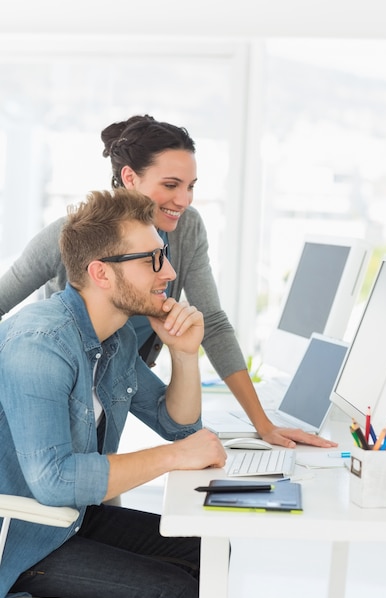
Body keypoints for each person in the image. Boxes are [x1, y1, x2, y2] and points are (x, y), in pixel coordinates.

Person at [0, 114, 336, 450]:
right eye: (171, 185)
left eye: (191, 187)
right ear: (129, 177)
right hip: (61, 387)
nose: (184, 200)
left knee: (100, 484)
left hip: (121, 379)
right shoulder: (71, 236)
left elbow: (214, 325)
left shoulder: (185, 229)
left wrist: (264, 426)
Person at [0, 188, 227, 598]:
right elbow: (54, 480)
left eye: (164, 255)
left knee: (211, 551)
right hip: (17, 537)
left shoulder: (116, 338)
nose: (170, 272)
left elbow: (178, 425)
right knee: (175, 596)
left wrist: (184, 353)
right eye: (152, 261)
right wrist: (176, 457)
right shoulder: (40, 345)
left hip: (69, 518)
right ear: (102, 274)